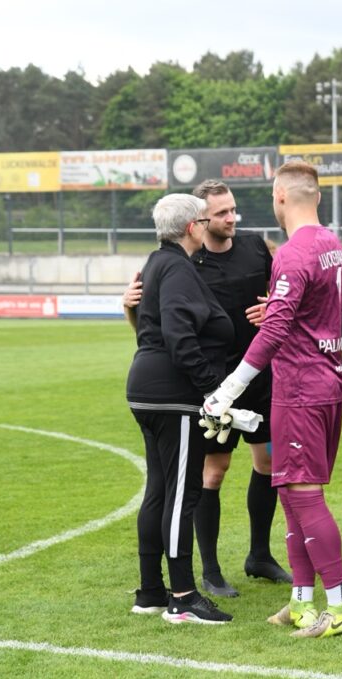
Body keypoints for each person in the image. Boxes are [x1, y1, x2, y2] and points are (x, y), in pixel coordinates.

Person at [200, 161, 342, 638]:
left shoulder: (292, 254)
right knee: (291, 493)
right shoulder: (333, 244)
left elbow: (273, 331)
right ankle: (301, 603)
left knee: (305, 495)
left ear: (281, 197)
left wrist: (228, 389)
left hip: (299, 389)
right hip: (328, 383)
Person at [123, 180, 291, 599]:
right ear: (199, 222)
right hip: (208, 381)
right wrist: (130, 307)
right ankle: (208, 572)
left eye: (234, 210)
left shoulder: (256, 248)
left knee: (268, 463)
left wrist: (272, 308)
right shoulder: (182, 262)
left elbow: (284, 295)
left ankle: (259, 555)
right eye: (221, 213)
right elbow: (160, 329)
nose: (231, 218)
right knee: (209, 473)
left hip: (256, 373)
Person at [126, 193, 234, 624]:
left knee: (159, 490)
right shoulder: (177, 267)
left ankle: (151, 590)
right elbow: (177, 331)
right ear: (192, 227)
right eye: (206, 220)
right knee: (182, 495)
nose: (210, 226)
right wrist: (213, 389)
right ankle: (183, 596)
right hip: (173, 393)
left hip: (148, 386)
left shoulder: (157, 262)